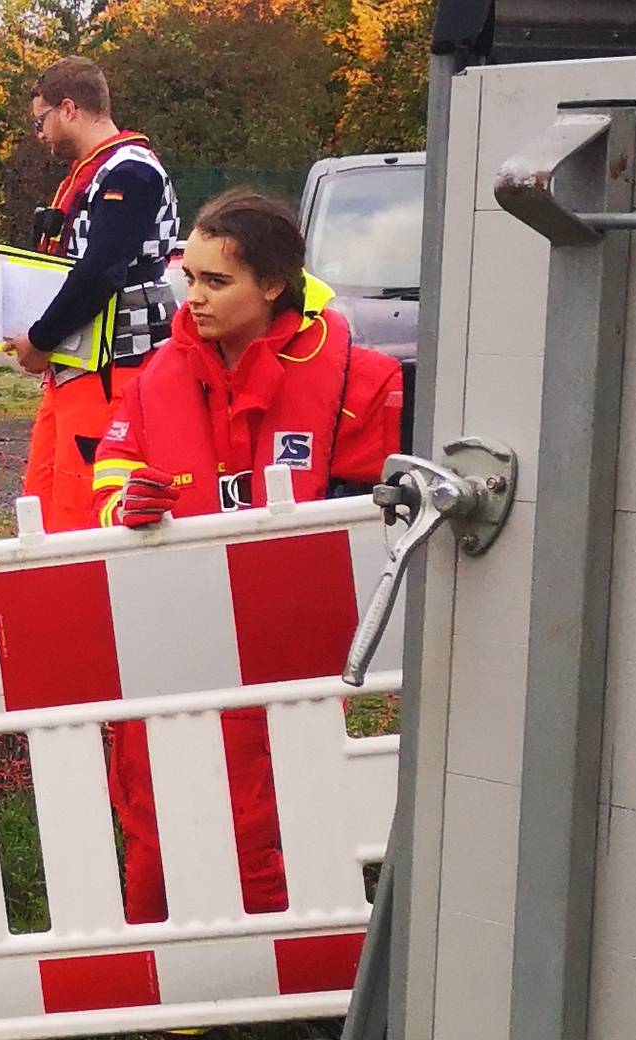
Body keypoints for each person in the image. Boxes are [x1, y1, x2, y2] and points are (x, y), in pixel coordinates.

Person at [92, 192, 401, 926]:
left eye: (214, 282)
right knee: (157, 818)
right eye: (188, 277)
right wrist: (125, 507)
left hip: (285, 658)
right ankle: (175, 1010)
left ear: (272, 285)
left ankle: (281, 995)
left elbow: (368, 537)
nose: (192, 297)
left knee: (273, 819)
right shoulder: (160, 373)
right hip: (171, 648)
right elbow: (108, 478)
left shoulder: (358, 382)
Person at [2, 56, 183, 534]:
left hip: (113, 368)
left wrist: (40, 338)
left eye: (41, 121)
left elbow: (101, 270)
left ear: (68, 109)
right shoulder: (98, 173)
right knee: (42, 500)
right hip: (76, 367)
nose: (39, 134)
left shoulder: (130, 172)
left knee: (84, 509)